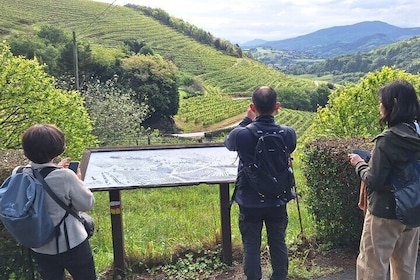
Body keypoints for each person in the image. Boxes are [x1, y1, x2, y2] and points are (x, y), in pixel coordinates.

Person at [349, 80, 420, 280]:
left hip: (385, 212)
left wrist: (359, 164)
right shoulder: (416, 132)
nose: (380, 106)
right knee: (406, 268)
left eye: (382, 102)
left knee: (372, 266)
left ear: (393, 103)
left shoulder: (388, 139)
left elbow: (374, 180)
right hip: (414, 209)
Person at [224, 86, 297, 280]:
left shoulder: (242, 135)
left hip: (250, 200)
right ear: (277, 107)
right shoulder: (289, 133)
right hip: (278, 199)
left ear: (252, 106)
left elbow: (228, 143)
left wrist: (247, 119)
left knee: (251, 246)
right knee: (278, 243)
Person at [17, 124, 96, 280]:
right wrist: (78, 180)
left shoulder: (19, 172)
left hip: (39, 245)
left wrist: (53, 169)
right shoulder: (65, 176)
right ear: (58, 148)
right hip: (72, 243)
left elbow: (39, 177)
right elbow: (87, 204)